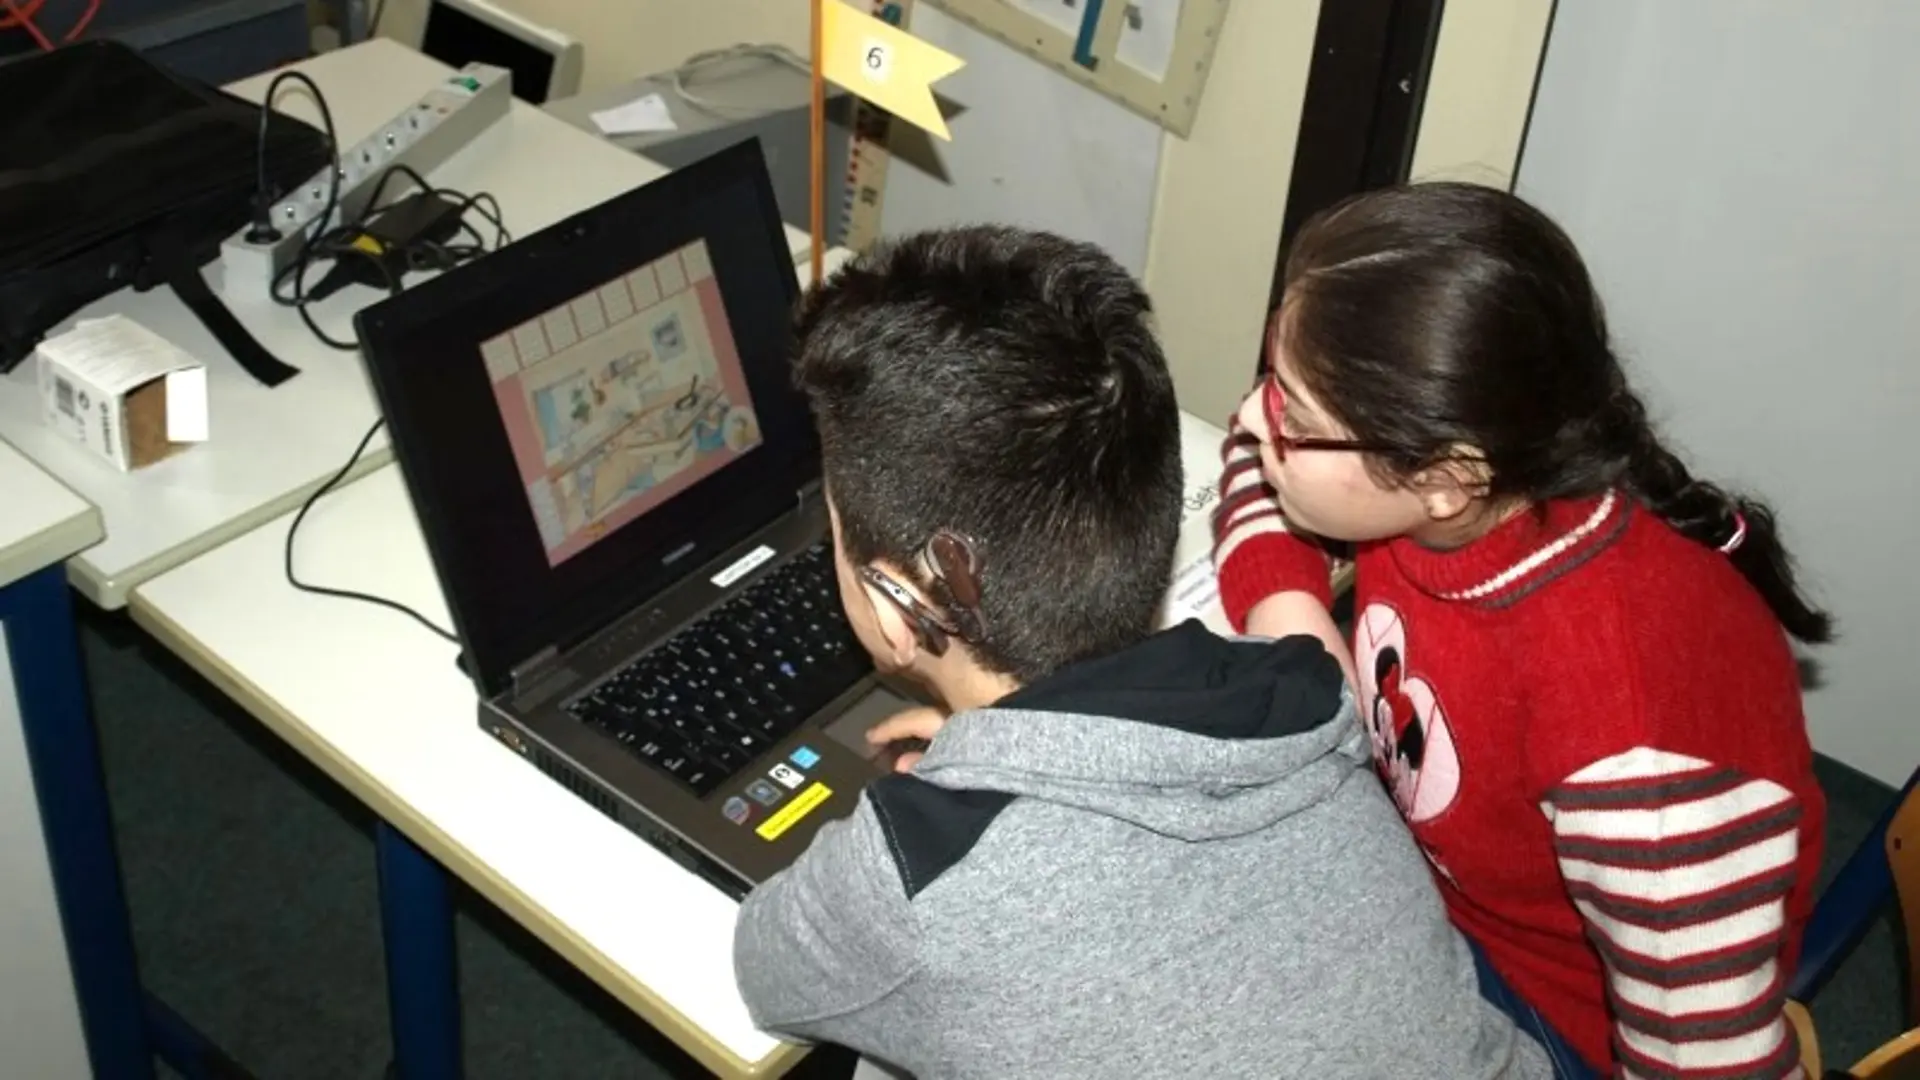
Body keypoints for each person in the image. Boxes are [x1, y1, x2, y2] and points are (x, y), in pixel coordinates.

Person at [732, 225, 1549, 1079]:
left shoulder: (909, 882)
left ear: (901, 606)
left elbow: (767, 967)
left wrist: (964, 791)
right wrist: (1010, 755)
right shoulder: (1305, 695)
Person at [1212, 182, 1829, 1080]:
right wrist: (1293, 612)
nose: (1255, 421)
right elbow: (1250, 451)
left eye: (1294, 422)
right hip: (1431, 888)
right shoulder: (1470, 469)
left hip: (1553, 1020)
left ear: (1444, 479)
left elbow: (1708, 1064)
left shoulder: (1637, 758)